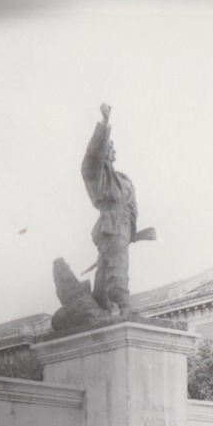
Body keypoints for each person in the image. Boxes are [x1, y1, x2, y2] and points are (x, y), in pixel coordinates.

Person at [81, 103, 139, 314]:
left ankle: (100, 302)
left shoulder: (124, 180)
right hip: (110, 227)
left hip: (123, 229)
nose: (112, 149)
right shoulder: (96, 176)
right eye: (108, 146)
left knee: (106, 272)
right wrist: (104, 123)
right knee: (117, 266)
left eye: (112, 146)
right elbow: (92, 153)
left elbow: (132, 206)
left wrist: (132, 230)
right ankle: (124, 305)